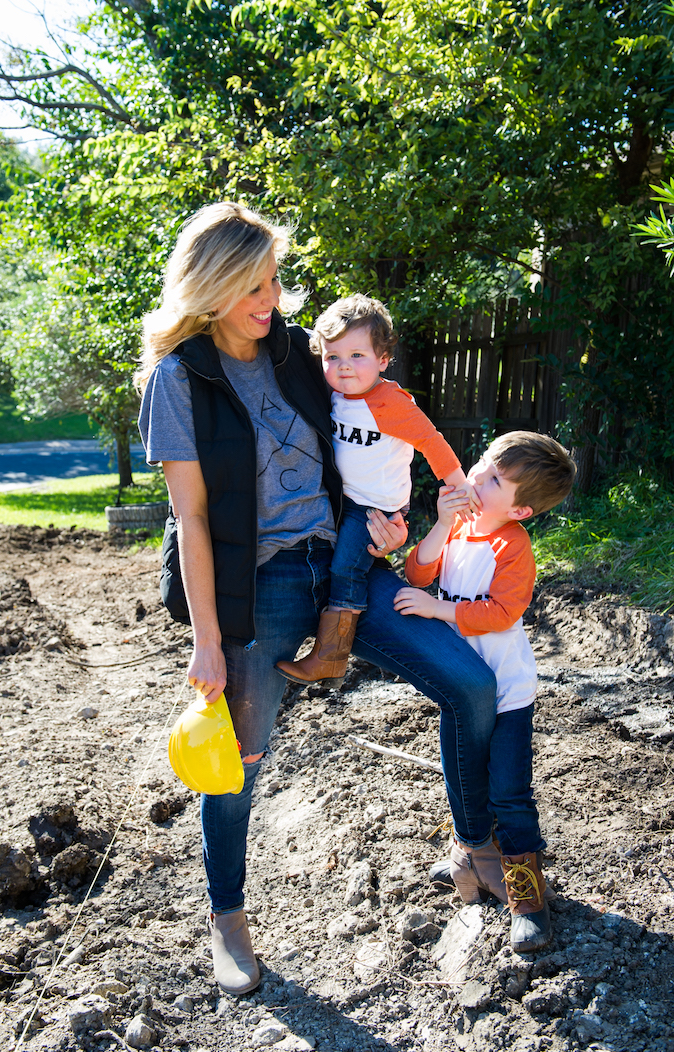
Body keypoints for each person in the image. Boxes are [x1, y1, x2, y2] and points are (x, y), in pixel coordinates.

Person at [136, 201, 498, 997]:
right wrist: (205, 640)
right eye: (255, 286)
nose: (273, 301)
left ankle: (474, 846)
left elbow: (377, 427)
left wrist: (395, 517)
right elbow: (191, 519)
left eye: (274, 282)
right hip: (256, 588)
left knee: (471, 684)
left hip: (346, 564)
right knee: (241, 763)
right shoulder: (178, 380)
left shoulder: (301, 354)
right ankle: (226, 916)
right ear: (211, 284)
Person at [394, 431, 576, 952]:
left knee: (509, 793)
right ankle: (466, 856)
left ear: (519, 510)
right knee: (463, 775)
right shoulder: (462, 525)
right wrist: (442, 523)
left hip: (506, 695)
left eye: (494, 479)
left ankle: (527, 894)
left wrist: (440, 610)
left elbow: (503, 612)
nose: (475, 476)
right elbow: (417, 569)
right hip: (458, 685)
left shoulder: (511, 546)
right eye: (482, 464)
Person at [276, 294, 478, 688]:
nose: (344, 367)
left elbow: (431, 441)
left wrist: (460, 487)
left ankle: (330, 657)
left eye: (356, 356)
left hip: (373, 508)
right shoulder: (335, 393)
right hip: (343, 499)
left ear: (383, 360)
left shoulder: (390, 401)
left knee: (345, 568)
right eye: (332, 357)